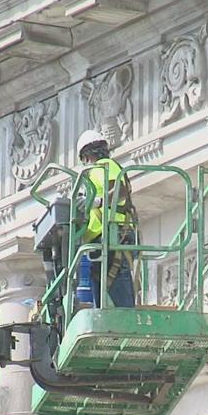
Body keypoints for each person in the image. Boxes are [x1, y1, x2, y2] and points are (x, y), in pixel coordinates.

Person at [76, 130, 136, 308]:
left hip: (114, 235)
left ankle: (126, 321)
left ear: (87, 155)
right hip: (103, 239)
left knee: (117, 288)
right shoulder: (93, 173)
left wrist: (99, 201)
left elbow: (121, 190)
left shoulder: (104, 166)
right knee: (103, 291)